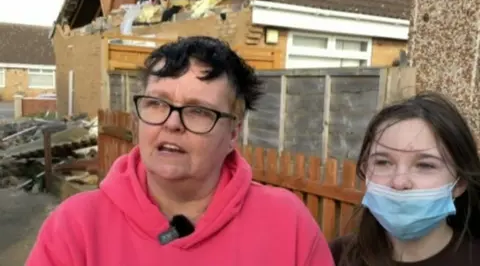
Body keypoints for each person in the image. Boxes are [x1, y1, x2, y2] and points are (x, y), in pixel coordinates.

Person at [26, 36, 334, 266]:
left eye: (198, 110)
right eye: (157, 104)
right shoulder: (75, 227)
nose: (172, 123)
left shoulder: (287, 224)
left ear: (233, 133)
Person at [329, 92, 480, 266]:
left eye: (425, 165)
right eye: (383, 162)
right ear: (365, 170)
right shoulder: (335, 256)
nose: (399, 183)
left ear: (459, 183)